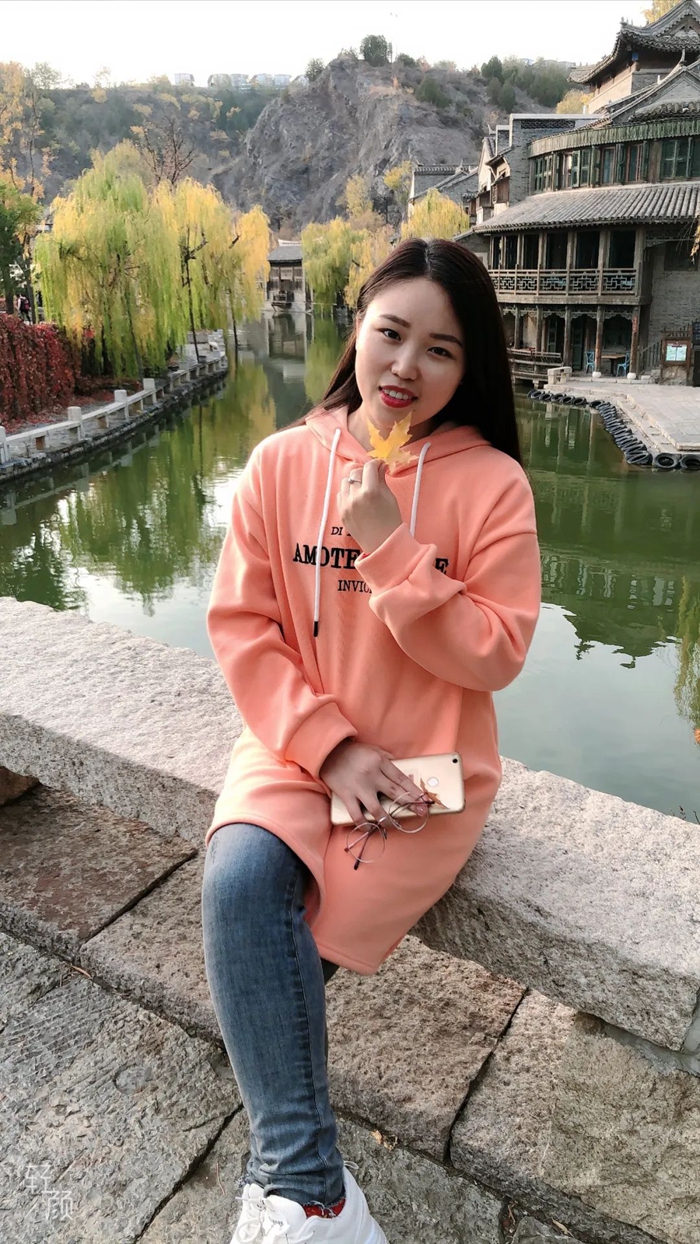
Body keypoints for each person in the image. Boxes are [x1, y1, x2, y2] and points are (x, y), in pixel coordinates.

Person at [201, 237, 541, 1244]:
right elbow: (244, 626)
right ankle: (316, 1197)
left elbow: (498, 651)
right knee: (238, 886)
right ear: (356, 327)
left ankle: (288, 1188)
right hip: (296, 745)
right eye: (391, 332)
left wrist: (389, 545)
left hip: (422, 770)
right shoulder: (280, 462)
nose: (406, 366)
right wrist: (327, 744)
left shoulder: (493, 484)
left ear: (469, 366)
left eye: (440, 349)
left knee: (279, 957)